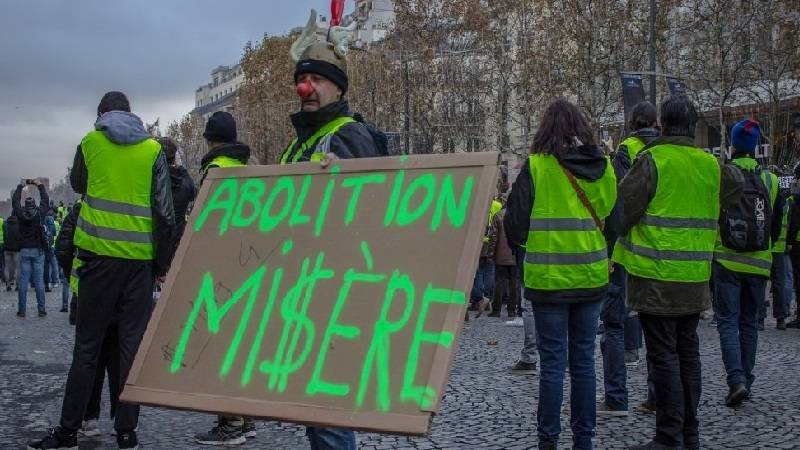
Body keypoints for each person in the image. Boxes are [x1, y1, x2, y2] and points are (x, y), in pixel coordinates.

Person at [28, 91, 175, 450]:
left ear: (101, 115)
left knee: (87, 350)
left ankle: (68, 431)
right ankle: (126, 432)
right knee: (130, 351)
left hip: (97, 260)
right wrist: (161, 264)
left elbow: (79, 184)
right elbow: (164, 212)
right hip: (138, 264)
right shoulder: (153, 150)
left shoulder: (90, 143)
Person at [613, 96, 744, 450]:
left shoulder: (653, 160)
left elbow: (621, 212)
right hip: (696, 278)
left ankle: (669, 436)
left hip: (656, 278)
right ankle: (690, 434)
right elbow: (735, 185)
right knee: (688, 353)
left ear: (663, 125)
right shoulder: (709, 164)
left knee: (665, 357)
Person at [506, 99, 617, 450]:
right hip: (591, 277)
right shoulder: (604, 167)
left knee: (553, 363)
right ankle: (584, 439)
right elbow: (615, 219)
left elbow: (515, 223)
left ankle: (548, 440)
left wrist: (531, 247)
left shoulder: (537, 166)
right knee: (583, 361)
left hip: (548, 279)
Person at [192, 111, 256, 446]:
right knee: (241, 343)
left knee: (221, 345)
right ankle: (246, 419)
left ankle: (230, 423)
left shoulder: (215, 170)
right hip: (249, 264)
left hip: (222, 269)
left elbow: (207, 222)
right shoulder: (250, 166)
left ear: (209, 141)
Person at [598, 101, 660, 417]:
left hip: (627, 251)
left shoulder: (626, 151)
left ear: (632, 123)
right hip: (663, 251)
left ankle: (616, 397)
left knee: (613, 323)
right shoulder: (667, 151)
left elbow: (618, 203)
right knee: (658, 330)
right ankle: (656, 396)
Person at [712, 119, 780, 407]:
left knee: (727, 322)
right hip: (759, 263)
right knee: (749, 323)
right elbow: (775, 224)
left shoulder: (722, 176)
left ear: (732, 145)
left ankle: (736, 380)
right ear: (755, 147)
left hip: (726, 260)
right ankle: (747, 380)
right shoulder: (770, 180)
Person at [13, 180, 50, 318]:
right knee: (39, 281)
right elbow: (45, 200)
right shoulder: (39, 213)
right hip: (38, 250)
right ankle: (41, 309)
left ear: (25, 205)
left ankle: (22, 310)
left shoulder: (20, 214)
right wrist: (39, 185)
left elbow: (15, 201)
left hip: (24, 249)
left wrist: (20, 186)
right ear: (34, 204)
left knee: (23, 281)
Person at [157, 136, 197, 262]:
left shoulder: (156, 180)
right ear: (175, 157)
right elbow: (193, 192)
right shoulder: (184, 182)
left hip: (156, 241)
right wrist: (181, 168)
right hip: (178, 240)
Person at [489, 195, 520, 318]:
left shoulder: (498, 216)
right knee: (514, 283)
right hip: (515, 255)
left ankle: (496, 310)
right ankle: (512, 310)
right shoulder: (518, 216)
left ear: (504, 201)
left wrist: (491, 254)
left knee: (499, 283)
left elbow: (493, 237)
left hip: (500, 256)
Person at [4, 214, 21, 291]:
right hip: (16, 249)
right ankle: (17, 285)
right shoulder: (18, 226)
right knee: (17, 267)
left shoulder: (6, 225)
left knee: (7, 267)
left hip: (7, 248)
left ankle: (8, 285)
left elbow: (4, 236)